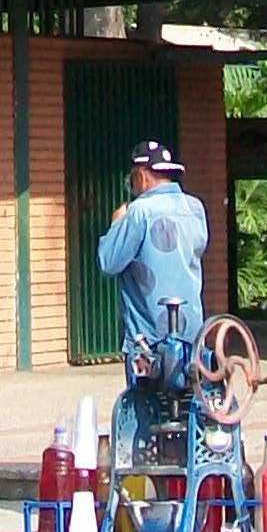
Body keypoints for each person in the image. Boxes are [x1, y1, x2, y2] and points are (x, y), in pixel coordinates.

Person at [97, 139, 210, 374]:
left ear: (142, 176)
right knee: (191, 394)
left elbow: (109, 262)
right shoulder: (195, 208)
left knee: (147, 403)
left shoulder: (139, 211)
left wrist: (117, 224)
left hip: (147, 337)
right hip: (192, 331)